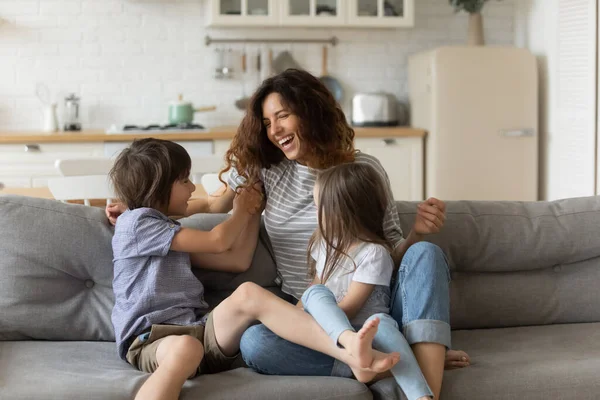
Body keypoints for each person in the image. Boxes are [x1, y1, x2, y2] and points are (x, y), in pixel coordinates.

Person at [106, 70, 470, 397]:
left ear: (311, 112)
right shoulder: (264, 171)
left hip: (377, 305)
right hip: (311, 314)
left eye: (283, 116)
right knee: (255, 343)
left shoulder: (362, 169)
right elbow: (211, 206)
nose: (274, 130)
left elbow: (388, 253)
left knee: (426, 253)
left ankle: (422, 388)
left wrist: (418, 233)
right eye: (267, 122)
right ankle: (397, 355)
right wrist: (138, 207)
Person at [108, 138, 400, 400]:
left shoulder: (167, 236)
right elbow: (218, 241)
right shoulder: (136, 223)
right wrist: (238, 210)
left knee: (247, 293)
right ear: (157, 188)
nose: (191, 188)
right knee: (184, 349)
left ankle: (350, 352)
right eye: (184, 181)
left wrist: (250, 212)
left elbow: (236, 261)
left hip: (198, 331)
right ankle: (351, 352)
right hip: (151, 339)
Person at [300, 161, 435, 400]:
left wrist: (314, 320)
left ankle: (421, 395)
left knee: (379, 321)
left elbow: (351, 308)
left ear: (342, 212)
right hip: (337, 334)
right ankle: (377, 362)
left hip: (365, 333)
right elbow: (316, 284)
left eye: (318, 205)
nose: (314, 212)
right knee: (313, 294)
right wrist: (294, 316)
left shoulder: (373, 253)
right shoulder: (323, 245)